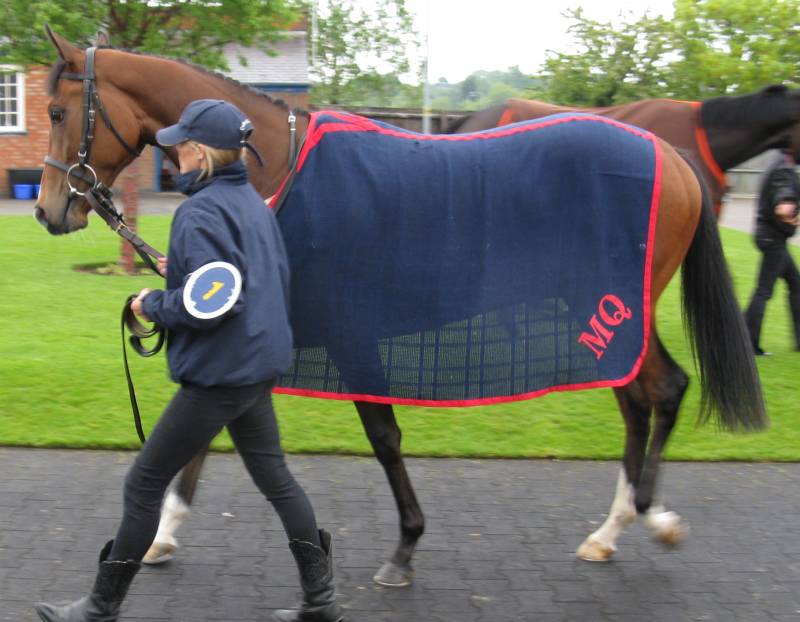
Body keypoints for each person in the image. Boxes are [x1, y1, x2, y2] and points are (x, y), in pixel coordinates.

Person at [35, 99, 347, 622]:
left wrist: (151, 304)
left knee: (143, 483)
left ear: (200, 153)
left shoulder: (199, 212)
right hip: (257, 365)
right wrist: (180, 270)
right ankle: (321, 603)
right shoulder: (251, 202)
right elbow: (240, 276)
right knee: (276, 479)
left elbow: (213, 304)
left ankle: (98, 611)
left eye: (180, 144)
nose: (173, 152)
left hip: (220, 374)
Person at [744, 148, 800, 356]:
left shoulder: (780, 163)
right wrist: (792, 215)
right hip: (772, 239)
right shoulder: (782, 169)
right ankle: (747, 342)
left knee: (795, 283)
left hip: (772, 238)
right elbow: (783, 205)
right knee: (764, 290)